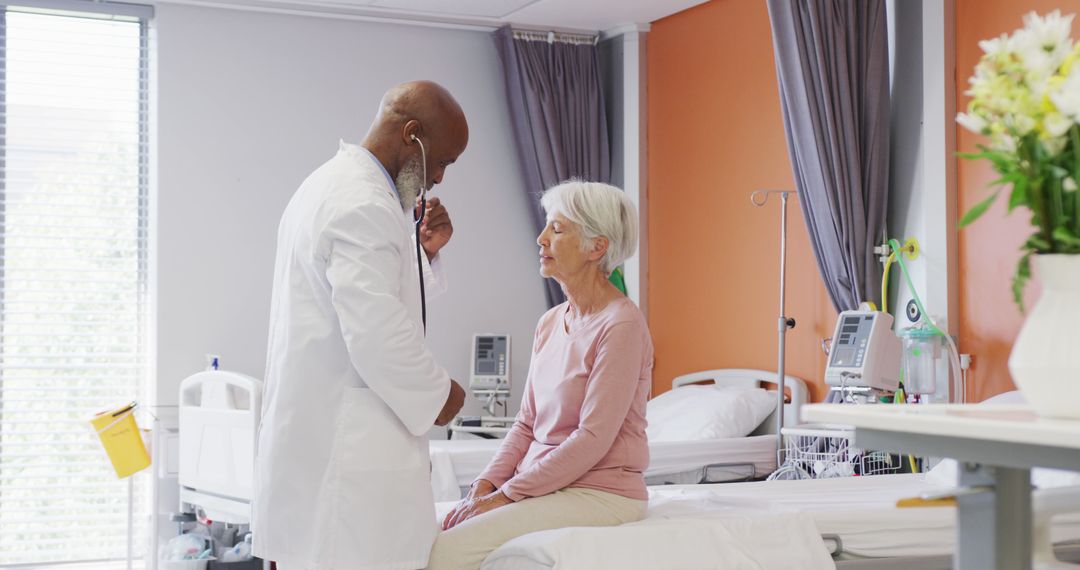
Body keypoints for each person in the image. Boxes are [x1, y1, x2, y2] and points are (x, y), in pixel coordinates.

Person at [252, 80, 468, 570]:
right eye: (442, 161)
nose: (438, 178)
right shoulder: (363, 203)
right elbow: (377, 336)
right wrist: (440, 395)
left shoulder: (333, 184)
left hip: (326, 456)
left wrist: (423, 254)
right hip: (344, 474)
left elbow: (362, 301)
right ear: (411, 135)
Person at [427, 181, 653, 570]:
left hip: (601, 492)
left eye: (557, 229)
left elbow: (592, 439)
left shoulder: (621, 325)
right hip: (549, 487)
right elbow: (526, 424)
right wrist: (483, 485)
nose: (541, 238)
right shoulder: (550, 323)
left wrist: (506, 495)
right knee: (433, 529)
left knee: (447, 552)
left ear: (597, 247)